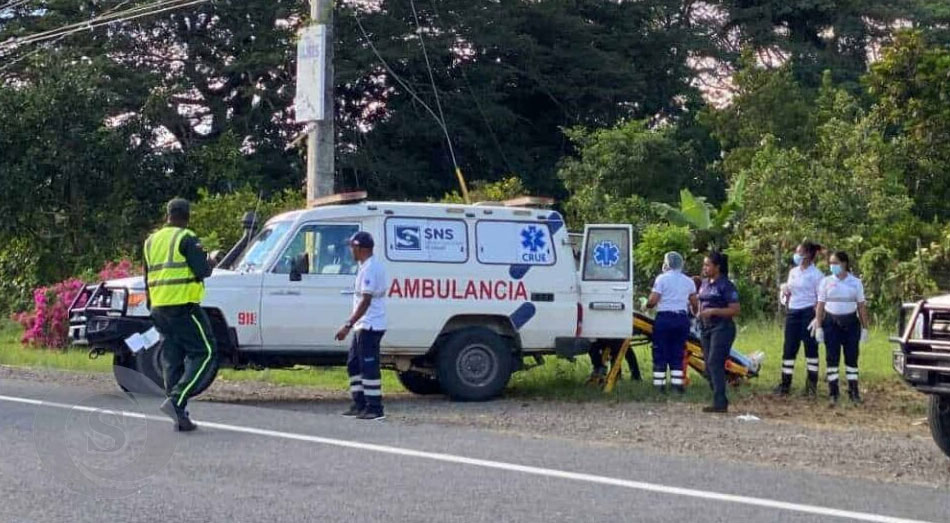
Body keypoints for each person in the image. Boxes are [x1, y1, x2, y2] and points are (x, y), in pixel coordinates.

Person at [145, 198, 216, 432]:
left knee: (172, 358)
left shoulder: (151, 241)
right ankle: (176, 400)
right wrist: (211, 261)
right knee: (205, 352)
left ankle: (179, 413)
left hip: (158, 307)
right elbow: (202, 270)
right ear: (187, 215)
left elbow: (147, 276)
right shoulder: (186, 238)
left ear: (168, 215)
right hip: (183, 305)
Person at [335, 231, 388, 420]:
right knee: (353, 364)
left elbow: (366, 300)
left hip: (370, 325)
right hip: (363, 325)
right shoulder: (364, 266)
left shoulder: (370, 269)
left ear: (360, 248)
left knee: (369, 366)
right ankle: (360, 404)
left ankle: (375, 408)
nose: (351, 250)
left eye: (353, 247)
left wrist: (348, 324)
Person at [815, 251, 870, 405]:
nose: (832, 266)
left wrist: (865, 328)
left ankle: (854, 392)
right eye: (831, 263)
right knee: (832, 358)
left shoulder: (855, 282)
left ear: (844, 264)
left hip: (851, 323)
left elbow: (861, 306)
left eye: (835, 263)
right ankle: (833, 393)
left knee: (851, 358)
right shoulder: (825, 282)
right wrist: (819, 326)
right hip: (831, 323)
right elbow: (820, 306)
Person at [645, 252, 699, 394]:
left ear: (667, 264)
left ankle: (659, 387)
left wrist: (647, 305)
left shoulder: (662, 279)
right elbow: (695, 303)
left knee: (660, 351)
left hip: (664, 319)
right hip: (681, 320)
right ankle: (677, 386)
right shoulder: (689, 281)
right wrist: (694, 313)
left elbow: (653, 300)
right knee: (678, 352)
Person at [775, 241, 824, 397]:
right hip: (793, 312)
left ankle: (811, 386)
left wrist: (817, 318)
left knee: (810, 349)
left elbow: (820, 299)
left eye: (800, 252)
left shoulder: (817, 275)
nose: (796, 255)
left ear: (809, 254)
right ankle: (785, 384)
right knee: (789, 349)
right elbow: (789, 292)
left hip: (808, 313)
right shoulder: (793, 272)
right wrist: (784, 291)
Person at [697, 251, 741, 413]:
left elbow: (735, 310)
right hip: (705, 327)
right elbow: (701, 301)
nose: (705, 268)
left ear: (717, 267)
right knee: (708, 366)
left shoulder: (726, 285)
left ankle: (720, 402)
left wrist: (714, 311)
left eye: (708, 265)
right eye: (704, 264)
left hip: (722, 327)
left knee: (715, 362)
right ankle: (719, 395)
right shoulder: (705, 283)